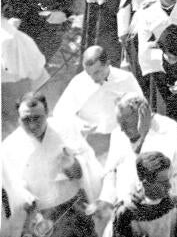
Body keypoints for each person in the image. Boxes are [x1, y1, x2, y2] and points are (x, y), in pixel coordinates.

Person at [2, 91, 102, 237]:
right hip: (40, 216)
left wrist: (71, 166)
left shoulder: (65, 129)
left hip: (73, 205)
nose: (33, 125)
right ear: (18, 119)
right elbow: (11, 187)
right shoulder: (9, 146)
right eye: (26, 119)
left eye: (37, 118)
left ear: (47, 113)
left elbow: (85, 171)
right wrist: (27, 202)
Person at [100, 93, 177, 209]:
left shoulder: (168, 128)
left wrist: (142, 136)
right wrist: (106, 199)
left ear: (142, 114)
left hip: (163, 206)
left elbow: (156, 173)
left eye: (125, 124)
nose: (121, 129)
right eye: (119, 123)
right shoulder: (117, 134)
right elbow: (110, 171)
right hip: (126, 207)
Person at [53, 45, 141, 157]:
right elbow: (60, 112)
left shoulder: (126, 79)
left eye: (97, 72)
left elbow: (142, 109)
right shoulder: (79, 82)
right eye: (89, 74)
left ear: (107, 64)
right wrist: (79, 124)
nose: (93, 79)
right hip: (89, 143)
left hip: (120, 140)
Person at [111, 150, 177, 236]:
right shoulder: (126, 213)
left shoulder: (175, 205)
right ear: (146, 184)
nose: (169, 186)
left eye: (169, 179)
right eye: (163, 182)